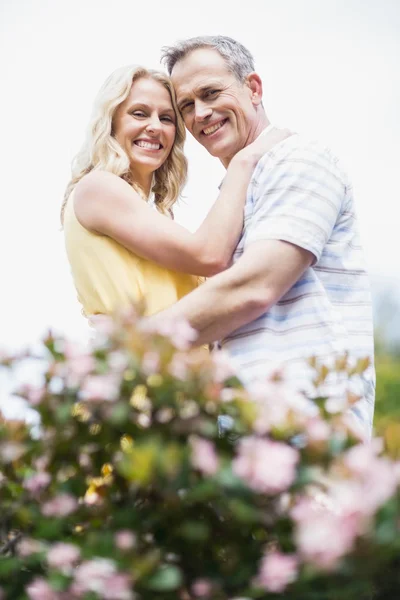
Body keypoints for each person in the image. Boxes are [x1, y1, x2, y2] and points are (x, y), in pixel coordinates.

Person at [156, 35, 375, 437]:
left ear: (253, 88)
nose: (200, 113)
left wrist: (131, 349)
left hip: (306, 421)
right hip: (249, 428)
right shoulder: (240, 187)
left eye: (210, 93)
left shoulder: (299, 159)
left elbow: (256, 285)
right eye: (186, 105)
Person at [62, 65, 290, 321]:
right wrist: (245, 160)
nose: (155, 127)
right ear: (111, 121)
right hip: (142, 359)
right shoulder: (98, 188)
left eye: (167, 118)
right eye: (139, 114)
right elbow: (209, 256)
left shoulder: (152, 214)